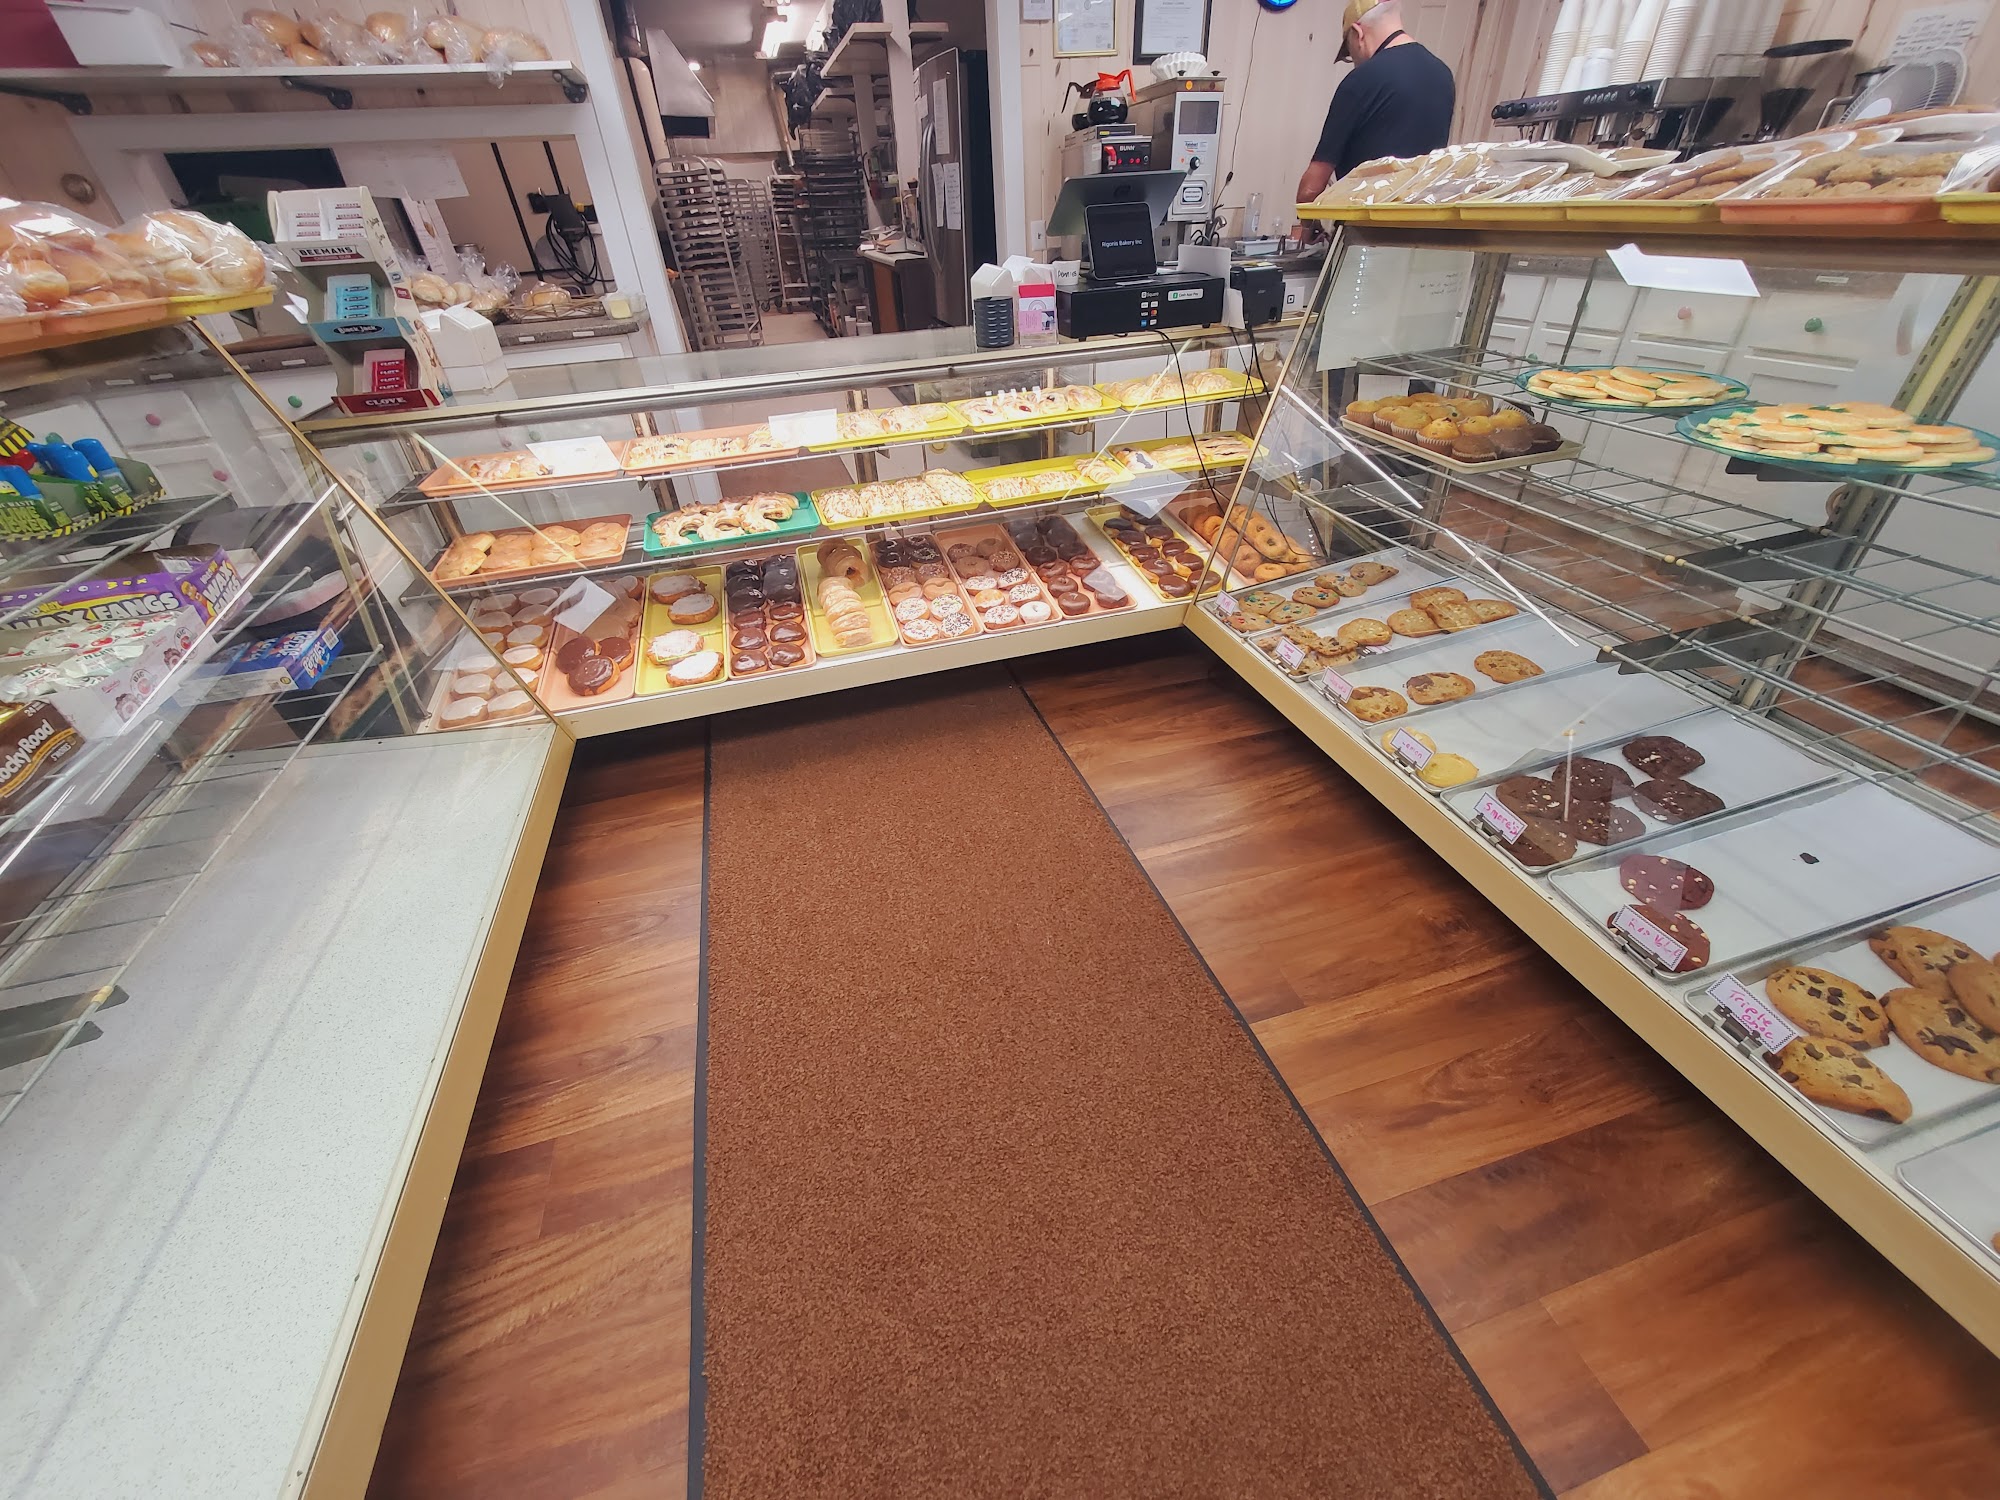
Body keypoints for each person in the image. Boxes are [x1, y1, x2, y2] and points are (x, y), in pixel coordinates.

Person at [1294, 0, 1456, 206]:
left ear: (1358, 34)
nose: (1354, 61)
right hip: (1421, 218)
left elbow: (1311, 189)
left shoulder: (1362, 78)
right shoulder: (1443, 75)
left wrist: (1306, 219)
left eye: (1349, 52)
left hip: (1364, 222)